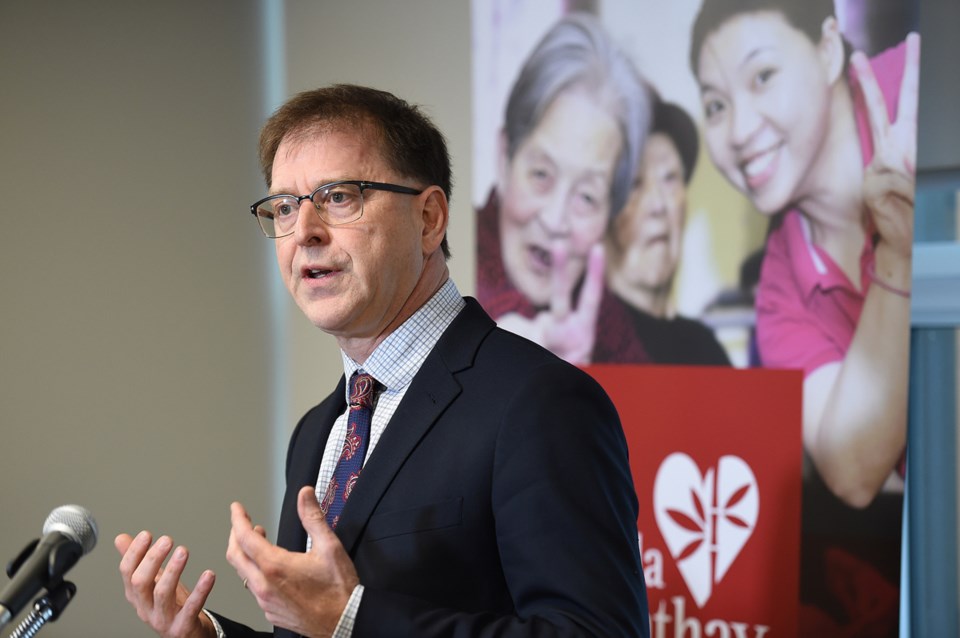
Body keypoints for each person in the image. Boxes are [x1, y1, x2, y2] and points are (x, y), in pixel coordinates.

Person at [115, 84, 650, 637]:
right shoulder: (318, 430)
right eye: (284, 206)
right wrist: (211, 635)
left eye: (339, 197)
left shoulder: (539, 404)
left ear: (429, 219)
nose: (305, 233)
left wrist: (353, 619)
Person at [690, 0, 918, 509]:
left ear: (829, 50)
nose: (740, 131)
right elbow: (854, 470)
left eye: (763, 75)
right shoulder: (779, 291)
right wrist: (898, 258)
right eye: (715, 106)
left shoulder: (920, 89)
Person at [476, 12, 654, 365]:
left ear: (610, 213)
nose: (556, 221)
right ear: (504, 158)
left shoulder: (609, 326)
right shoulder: (431, 275)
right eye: (541, 174)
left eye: (587, 197)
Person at [604, 97, 731, 366]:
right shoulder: (578, 340)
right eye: (635, 184)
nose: (658, 204)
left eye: (670, 178)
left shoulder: (704, 349)